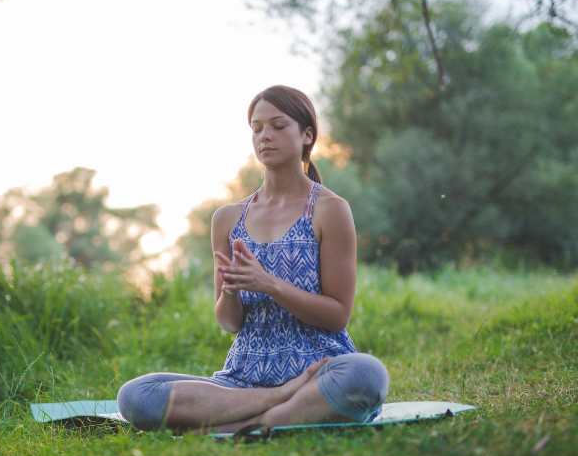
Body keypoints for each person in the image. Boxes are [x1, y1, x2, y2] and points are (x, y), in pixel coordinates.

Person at [116, 85, 389, 434]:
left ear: (307, 136)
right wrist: (230, 291)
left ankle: (245, 422)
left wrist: (270, 285)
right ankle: (275, 410)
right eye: (257, 128)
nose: (265, 136)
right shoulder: (228, 219)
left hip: (318, 373)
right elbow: (230, 323)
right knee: (137, 396)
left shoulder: (329, 209)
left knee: (366, 375)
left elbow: (336, 316)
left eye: (278, 126)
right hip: (243, 380)